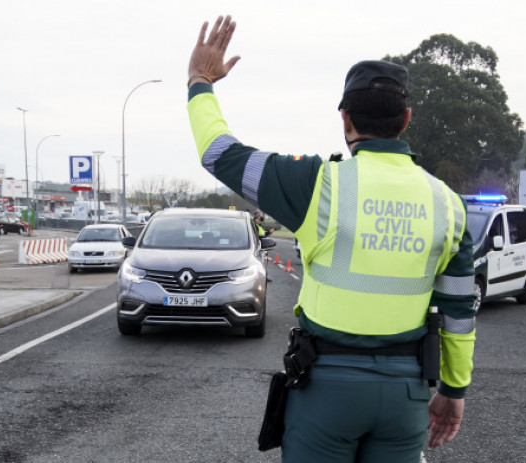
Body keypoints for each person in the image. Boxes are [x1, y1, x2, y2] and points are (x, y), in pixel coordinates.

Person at [186, 16, 476, 462]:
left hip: (327, 389)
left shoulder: (317, 185)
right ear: (406, 119)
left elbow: (219, 153)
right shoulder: (449, 204)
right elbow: (458, 311)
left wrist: (200, 83)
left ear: (345, 119)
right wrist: (454, 390)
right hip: (406, 393)